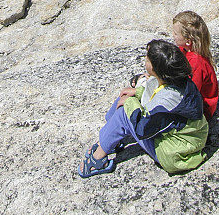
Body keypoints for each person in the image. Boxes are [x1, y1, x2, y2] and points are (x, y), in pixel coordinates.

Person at [78, 39, 208, 178]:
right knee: (126, 97)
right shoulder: (176, 79)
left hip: (176, 155)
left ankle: (96, 160)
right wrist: (137, 93)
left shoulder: (166, 103)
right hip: (183, 140)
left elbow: (142, 129)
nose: (145, 59)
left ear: (155, 68)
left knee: (124, 113)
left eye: (147, 59)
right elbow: (154, 92)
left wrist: (130, 103)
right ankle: (109, 139)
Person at [172, 10, 218, 120]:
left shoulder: (196, 62)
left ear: (188, 41)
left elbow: (189, 91)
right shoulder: (184, 51)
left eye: (175, 33)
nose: (173, 36)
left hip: (199, 110)